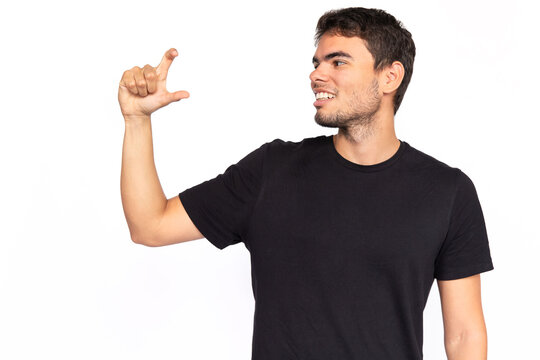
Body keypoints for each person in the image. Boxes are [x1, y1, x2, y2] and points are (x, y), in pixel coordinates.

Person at [119, 7, 494, 360]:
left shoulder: (447, 192)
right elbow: (150, 224)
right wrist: (136, 120)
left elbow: (464, 335)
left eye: (338, 62)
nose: (317, 75)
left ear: (389, 77)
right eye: (317, 63)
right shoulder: (271, 171)